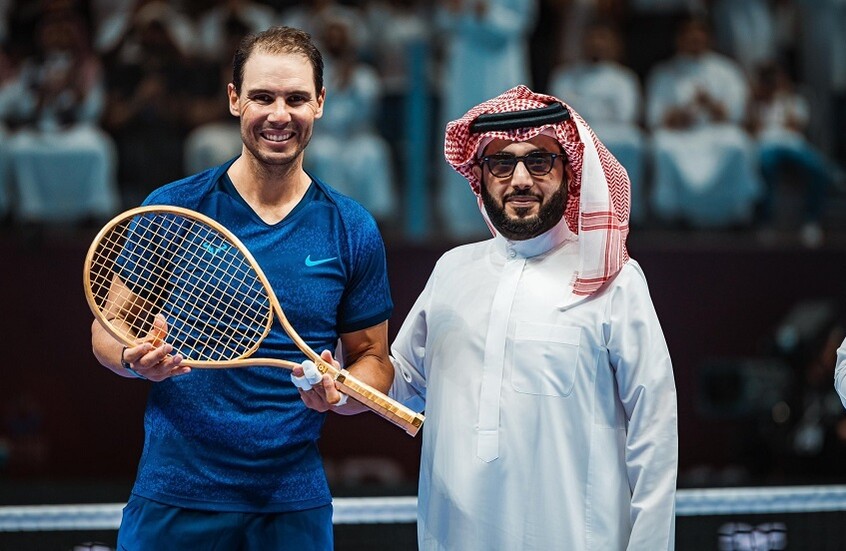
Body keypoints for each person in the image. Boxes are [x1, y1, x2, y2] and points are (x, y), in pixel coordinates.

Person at [300, 85, 679, 550]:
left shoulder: (613, 278)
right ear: (479, 175)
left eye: (539, 161)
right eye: (501, 163)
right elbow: (401, 386)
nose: (520, 180)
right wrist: (339, 387)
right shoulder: (453, 270)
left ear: (569, 170)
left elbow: (654, 433)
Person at [90, 26, 394, 550]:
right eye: (262, 97)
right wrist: (133, 358)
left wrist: (341, 393)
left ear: (320, 103)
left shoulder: (351, 227)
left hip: (291, 503)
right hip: (174, 495)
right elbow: (107, 329)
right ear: (235, 100)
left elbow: (374, 360)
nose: (279, 114)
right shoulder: (173, 208)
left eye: (296, 98)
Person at [645, 16, 761, 228]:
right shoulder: (664, 72)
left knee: (737, 143)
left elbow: (737, 114)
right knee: (662, 145)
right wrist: (682, 114)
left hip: (717, 132)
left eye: (699, 35)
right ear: (679, 40)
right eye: (688, 35)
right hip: (681, 134)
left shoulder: (727, 70)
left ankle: (735, 213)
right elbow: (655, 118)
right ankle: (673, 214)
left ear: (709, 38)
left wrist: (710, 104)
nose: (694, 39)